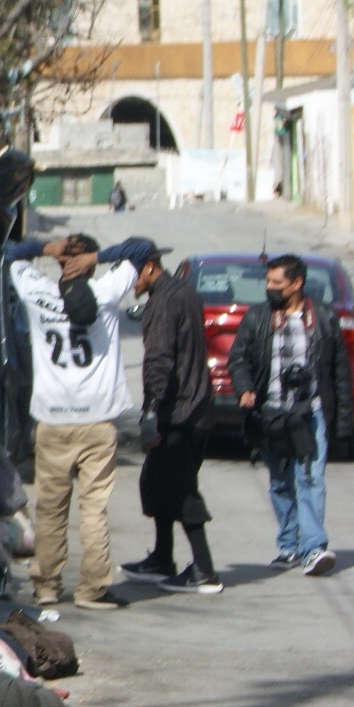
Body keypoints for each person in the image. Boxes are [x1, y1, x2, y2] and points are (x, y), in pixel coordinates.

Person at [5, 233, 142, 609]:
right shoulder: (106, 292)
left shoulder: (37, 292)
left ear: (59, 262)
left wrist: (46, 248)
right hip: (98, 420)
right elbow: (141, 248)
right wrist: (97, 256)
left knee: (50, 507)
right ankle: (93, 588)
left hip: (52, 419)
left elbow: (11, 254)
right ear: (90, 265)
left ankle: (46, 586)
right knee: (94, 508)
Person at [228, 253, 351, 577]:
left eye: (277, 283)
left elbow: (340, 371)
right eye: (268, 282)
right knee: (281, 483)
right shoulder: (257, 317)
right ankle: (289, 544)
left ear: (297, 284)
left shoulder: (323, 317)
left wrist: (343, 423)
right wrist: (244, 389)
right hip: (271, 416)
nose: (270, 288)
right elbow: (238, 359)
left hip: (310, 414)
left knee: (310, 480)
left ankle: (313, 547)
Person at [116, 243, 219, 593]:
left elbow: (159, 360)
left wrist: (150, 412)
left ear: (148, 267)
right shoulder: (182, 291)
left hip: (179, 412)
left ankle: (204, 570)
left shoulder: (164, 302)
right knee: (157, 483)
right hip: (191, 408)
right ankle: (162, 557)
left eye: (130, 275)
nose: (128, 283)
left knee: (182, 490)